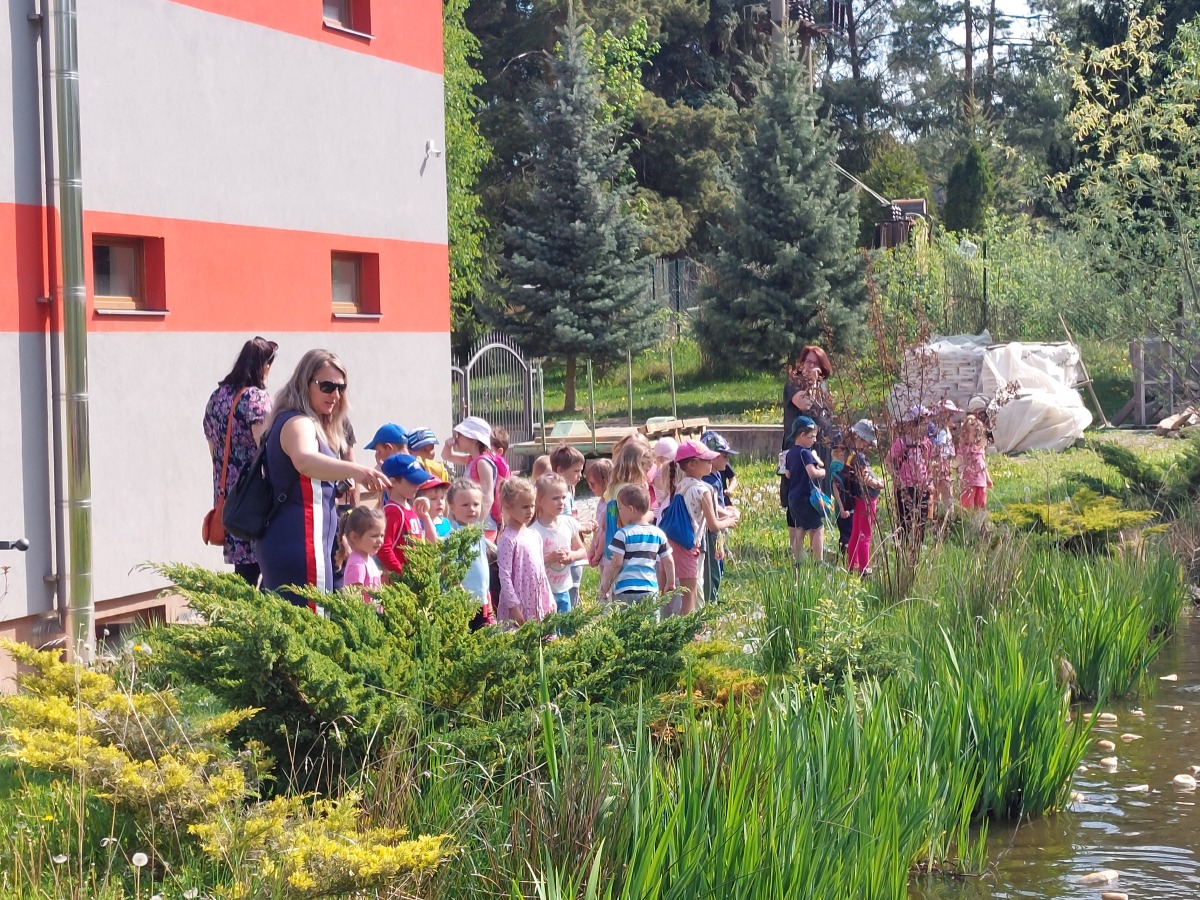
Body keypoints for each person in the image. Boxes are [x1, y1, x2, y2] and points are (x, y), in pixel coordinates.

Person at [255, 349, 389, 606]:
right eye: (327, 386)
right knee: (310, 620)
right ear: (305, 383)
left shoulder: (301, 421)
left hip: (306, 542)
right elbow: (304, 460)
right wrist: (356, 470)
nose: (335, 395)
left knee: (309, 620)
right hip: (301, 541)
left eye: (341, 388)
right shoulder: (298, 422)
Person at [203, 336, 276, 586]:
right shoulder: (256, 399)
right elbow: (265, 447)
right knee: (267, 564)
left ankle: (236, 609)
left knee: (243, 570)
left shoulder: (217, 397)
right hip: (255, 494)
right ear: (263, 366)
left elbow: (213, 448)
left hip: (229, 495)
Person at [667, 440, 740, 615]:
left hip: (674, 542)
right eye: (706, 460)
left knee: (678, 589)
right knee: (692, 592)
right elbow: (713, 525)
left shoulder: (681, 484)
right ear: (692, 464)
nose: (711, 462)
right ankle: (692, 627)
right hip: (691, 546)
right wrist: (729, 521)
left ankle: (673, 622)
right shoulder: (703, 490)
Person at [781, 346, 834, 546]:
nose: (812, 367)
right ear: (801, 363)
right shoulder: (793, 384)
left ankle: (816, 546)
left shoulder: (823, 388)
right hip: (797, 449)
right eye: (809, 362)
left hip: (819, 447)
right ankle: (796, 549)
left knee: (817, 494)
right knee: (796, 494)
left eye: (816, 364)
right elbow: (805, 404)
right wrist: (811, 383)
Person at [599, 484, 676, 604]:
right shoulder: (658, 534)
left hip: (625, 590)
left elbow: (616, 563)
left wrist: (605, 586)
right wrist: (670, 583)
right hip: (650, 589)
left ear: (630, 509)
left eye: (620, 509)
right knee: (650, 616)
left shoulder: (622, 534)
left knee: (626, 616)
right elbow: (669, 561)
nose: (619, 513)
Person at [495, 478, 556, 626]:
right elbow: (504, 576)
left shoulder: (534, 534)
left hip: (537, 599)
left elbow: (541, 571)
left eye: (532, 506)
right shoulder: (507, 539)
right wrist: (513, 607)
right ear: (508, 506)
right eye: (524, 507)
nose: (530, 511)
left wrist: (549, 598)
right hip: (519, 603)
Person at [377, 453, 439, 583]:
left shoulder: (409, 508)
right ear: (393, 481)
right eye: (412, 481)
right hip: (400, 583)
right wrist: (402, 573)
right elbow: (383, 548)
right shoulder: (393, 511)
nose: (417, 485)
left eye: (418, 480)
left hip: (413, 580)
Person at [531, 474, 586, 613]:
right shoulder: (534, 531)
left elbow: (582, 550)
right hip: (543, 591)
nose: (561, 502)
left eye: (563, 497)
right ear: (539, 500)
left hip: (565, 588)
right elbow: (530, 563)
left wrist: (571, 556)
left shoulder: (568, 523)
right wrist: (550, 558)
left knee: (565, 624)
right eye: (555, 498)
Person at [447, 479, 495, 629]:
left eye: (476, 504)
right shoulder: (453, 537)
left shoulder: (478, 533)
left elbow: (481, 565)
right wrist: (459, 592)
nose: (471, 509)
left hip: (480, 599)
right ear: (452, 508)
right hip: (463, 601)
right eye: (465, 505)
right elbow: (449, 569)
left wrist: (486, 592)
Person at [442, 416, 501, 538]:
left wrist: (476, 524)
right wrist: (448, 445)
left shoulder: (482, 462)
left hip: (484, 526)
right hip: (471, 522)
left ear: (473, 439)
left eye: (460, 435)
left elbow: (488, 496)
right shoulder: (472, 460)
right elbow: (447, 456)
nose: (456, 438)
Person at [699, 431, 739, 604]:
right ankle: (710, 601)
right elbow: (712, 506)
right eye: (725, 456)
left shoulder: (716, 474)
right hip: (711, 528)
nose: (727, 460)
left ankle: (714, 596)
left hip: (718, 526)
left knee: (719, 559)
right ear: (712, 457)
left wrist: (727, 510)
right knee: (712, 566)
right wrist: (728, 514)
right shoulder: (707, 479)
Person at [887, 407, 935, 545]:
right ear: (912, 424)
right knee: (905, 519)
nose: (925, 428)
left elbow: (928, 464)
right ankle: (903, 544)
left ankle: (918, 546)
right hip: (905, 486)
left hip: (922, 486)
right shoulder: (902, 443)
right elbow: (888, 460)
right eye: (922, 424)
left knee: (921, 519)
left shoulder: (926, 443)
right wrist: (895, 477)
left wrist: (930, 482)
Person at [784, 416, 827, 565]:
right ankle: (818, 562)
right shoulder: (805, 453)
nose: (814, 440)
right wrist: (823, 472)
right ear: (802, 435)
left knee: (800, 529)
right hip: (805, 497)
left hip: (793, 497)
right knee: (818, 528)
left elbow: (788, 474)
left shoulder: (790, 453)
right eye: (812, 436)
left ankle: (798, 561)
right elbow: (812, 472)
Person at [844, 419, 885, 576]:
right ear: (861, 439)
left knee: (856, 532)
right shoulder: (860, 458)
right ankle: (864, 569)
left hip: (857, 498)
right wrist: (878, 483)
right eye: (868, 442)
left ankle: (852, 565)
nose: (869, 446)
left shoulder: (851, 455)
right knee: (865, 535)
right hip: (866, 498)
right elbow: (864, 478)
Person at [550, 444, 589, 607]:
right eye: (576, 471)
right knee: (569, 595)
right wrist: (583, 527)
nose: (580, 476)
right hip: (567, 552)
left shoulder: (568, 491)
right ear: (560, 470)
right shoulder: (562, 497)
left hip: (572, 552)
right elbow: (564, 523)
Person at [341, 506, 385, 592]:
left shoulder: (367, 558)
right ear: (354, 537)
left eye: (382, 535)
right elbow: (354, 598)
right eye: (374, 536)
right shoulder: (357, 565)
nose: (380, 540)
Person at [956, 413, 992, 513]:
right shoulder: (964, 449)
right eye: (975, 435)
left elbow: (983, 464)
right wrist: (959, 475)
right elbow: (959, 462)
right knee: (967, 504)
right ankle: (966, 519)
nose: (977, 438)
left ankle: (979, 519)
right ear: (966, 435)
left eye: (979, 435)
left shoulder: (980, 448)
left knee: (981, 503)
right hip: (969, 481)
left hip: (981, 481)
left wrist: (988, 478)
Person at [648, 437, 678, 521]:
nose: (673, 460)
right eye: (670, 458)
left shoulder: (672, 471)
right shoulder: (658, 475)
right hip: (661, 515)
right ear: (660, 458)